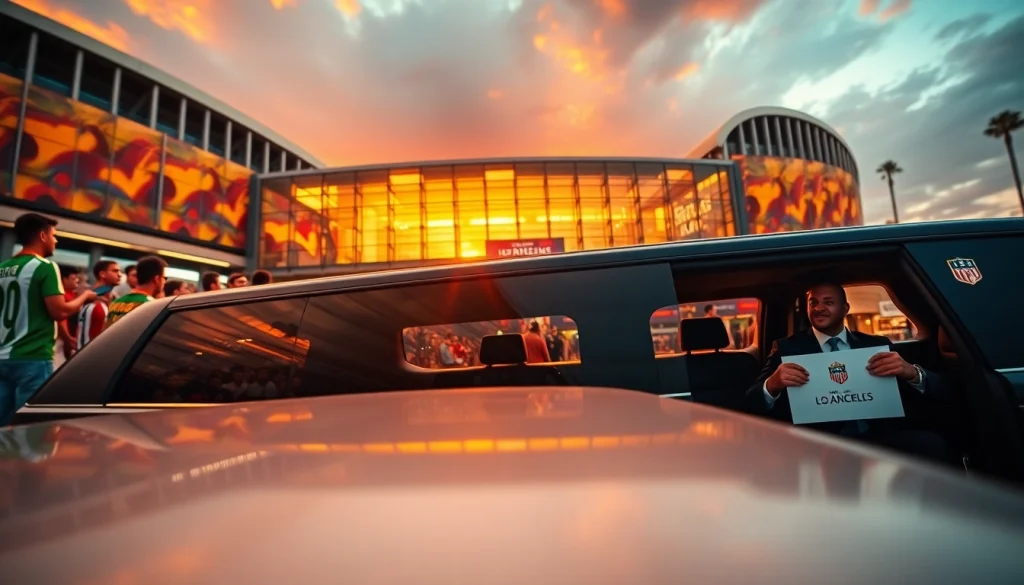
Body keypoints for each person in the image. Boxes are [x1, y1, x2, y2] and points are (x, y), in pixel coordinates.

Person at [744, 280, 948, 461]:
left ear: (845, 308)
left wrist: (912, 373)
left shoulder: (875, 344)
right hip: (817, 445)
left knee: (932, 444)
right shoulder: (787, 348)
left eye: (828, 302)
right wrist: (772, 384)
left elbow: (941, 388)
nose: (819, 308)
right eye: (813, 303)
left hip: (877, 439)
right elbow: (751, 401)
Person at [0, 213, 95, 425]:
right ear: (42, 236)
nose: (56, 240)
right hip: (33, 358)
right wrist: (85, 296)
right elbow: (59, 311)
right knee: (29, 427)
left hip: (3, 357)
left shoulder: (2, 268)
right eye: (54, 235)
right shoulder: (45, 267)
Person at [105, 256, 166, 328]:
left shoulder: (116, 302)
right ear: (156, 279)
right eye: (164, 278)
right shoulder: (152, 306)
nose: (164, 282)